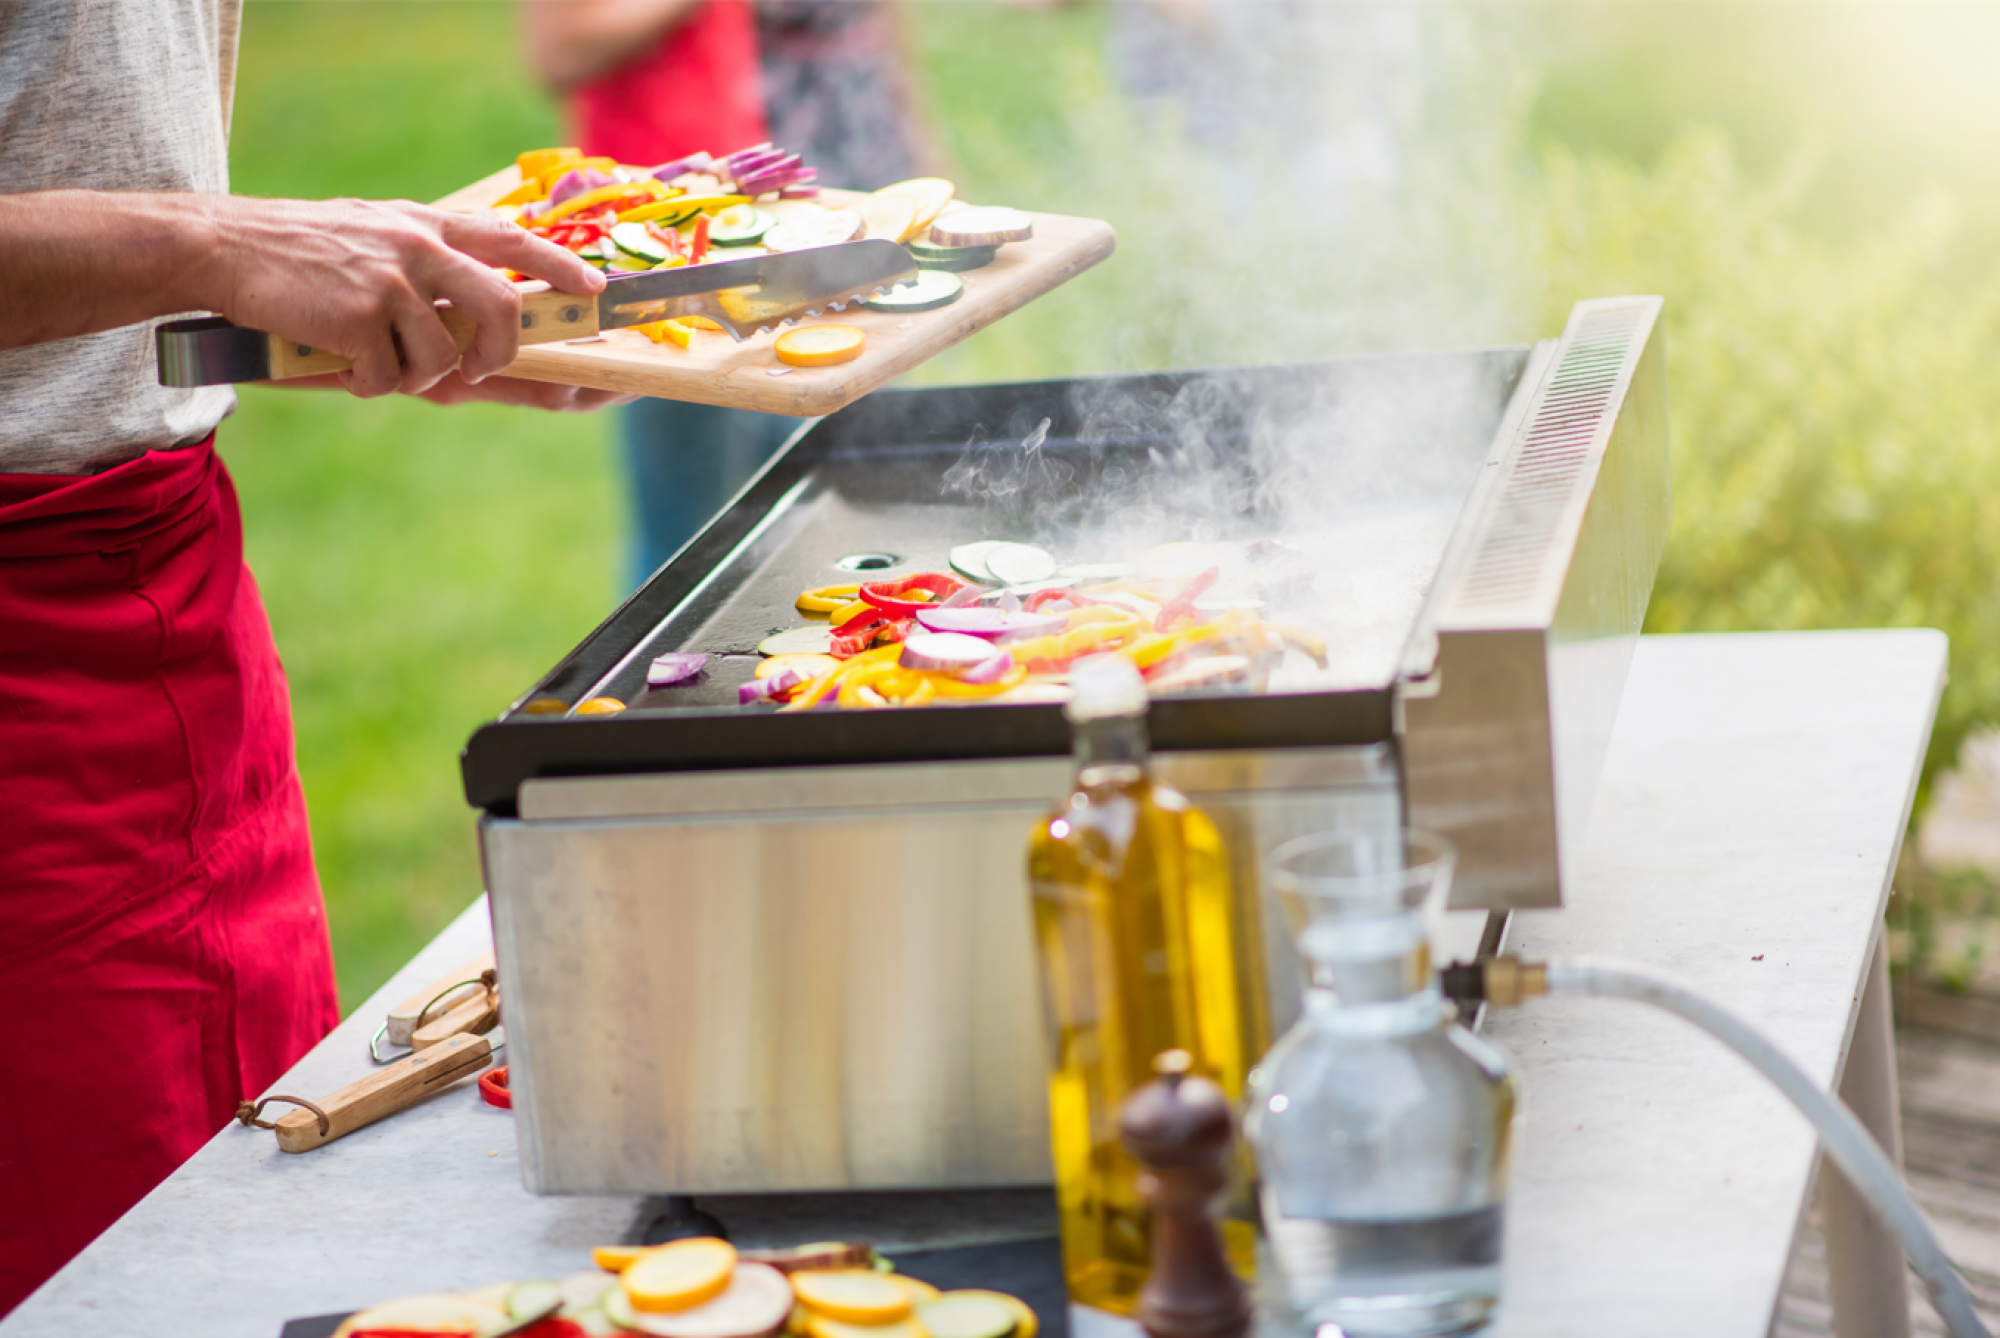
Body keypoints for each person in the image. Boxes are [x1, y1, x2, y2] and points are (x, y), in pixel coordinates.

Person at [0, 1, 621, 1314]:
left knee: (269, 1225)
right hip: (27, 687)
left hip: (177, 608)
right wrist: (212, 243)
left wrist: (337, 302)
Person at [524, 0, 930, 588]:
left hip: (733, 225)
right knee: (686, 539)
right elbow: (558, 50)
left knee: (803, 505)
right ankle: (640, 676)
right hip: (650, 242)